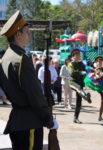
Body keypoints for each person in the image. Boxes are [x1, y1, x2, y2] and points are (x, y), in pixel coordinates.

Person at [0, 11, 57, 150]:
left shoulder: (6, 58)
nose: (29, 34)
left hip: (18, 121)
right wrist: (49, 120)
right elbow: (34, 95)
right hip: (29, 123)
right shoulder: (21, 59)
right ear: (18, 34)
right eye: (26, 31)